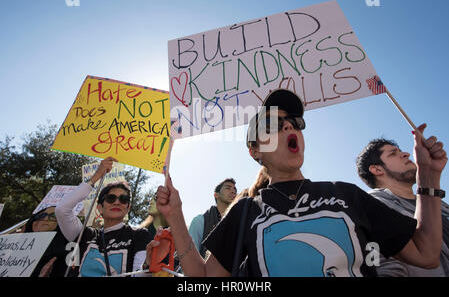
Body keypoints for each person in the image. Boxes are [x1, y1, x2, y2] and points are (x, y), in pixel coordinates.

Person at [148, 88, 446, 277]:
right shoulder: (244, 213)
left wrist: (428, 177)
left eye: (294, 123)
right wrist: (175, 217)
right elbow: (202, 280)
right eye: (274, 125)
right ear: (254, 151)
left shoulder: (347, 195)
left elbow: (427, 253)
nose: (288, 126)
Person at [357, 137, 449, 276]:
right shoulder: (371, 207)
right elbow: (381, 266)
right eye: (393, 153)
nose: (406, 154)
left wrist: (430, 175)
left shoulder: (439, 203)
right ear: (376, 169)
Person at [55, 157, 152, 277]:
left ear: (128, 207)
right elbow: (62, 209)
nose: (117, 202)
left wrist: (148, 264)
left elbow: (139, 274)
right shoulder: (83, 235)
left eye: (123, 199)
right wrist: (96, 176)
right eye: (111, 198)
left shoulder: (139, 234)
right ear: (99, 207)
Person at [188, 178, 237, 257]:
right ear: (216, 195)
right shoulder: (200, 221)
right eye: (228, 188)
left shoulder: (237, 223)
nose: (233, 191)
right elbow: (190, 256)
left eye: (235, 189)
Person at [23, 206, 69, 277]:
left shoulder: (66, 252)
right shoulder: (16, 248)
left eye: (53, 216)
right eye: (42, 215)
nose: (46, 219)